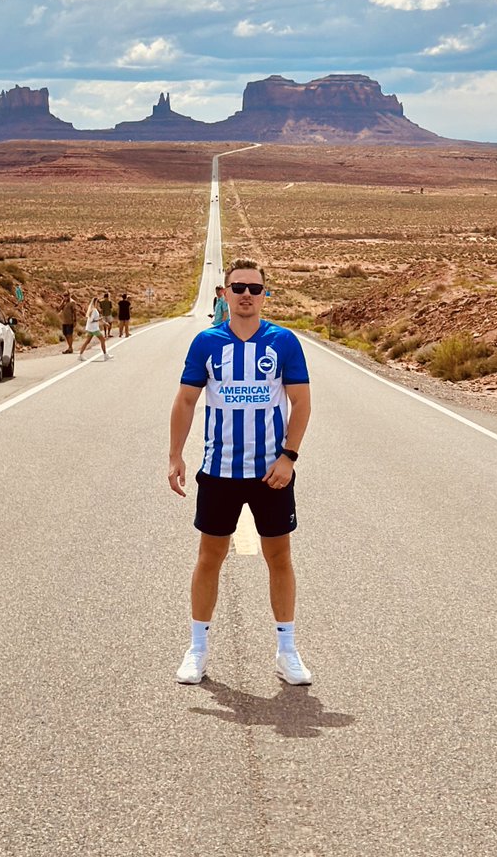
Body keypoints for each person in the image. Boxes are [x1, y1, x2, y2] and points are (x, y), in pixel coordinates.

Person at [167, 260, 312, 686]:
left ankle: (287, 652)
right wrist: (175, 455)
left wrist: (289, 457)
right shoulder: (207, 343)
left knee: (279, 558)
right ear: (224, 293)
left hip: (272, 473)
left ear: (265, 293)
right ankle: (197, 650)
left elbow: (301, 403)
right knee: (209, 557)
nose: (247, 294)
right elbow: (186, 401)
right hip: (219, 472)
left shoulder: (283, 342)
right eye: (239, 287)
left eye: (255, 287)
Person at [78, 295, 110, 361]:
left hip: (91, 328)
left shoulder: (94, 310)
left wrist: (104, 323)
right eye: (97, 302)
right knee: (102, 340)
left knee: (87, 341)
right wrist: (99, 319)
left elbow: (96, 319)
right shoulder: (94, 310)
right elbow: (92, 320)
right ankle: (105, 355)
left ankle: (80, 355)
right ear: (95, 302)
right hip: (94, 329)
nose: (98, 303)